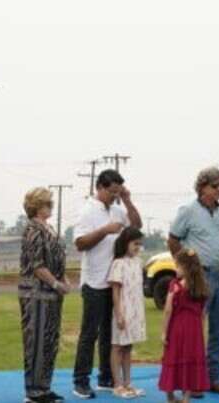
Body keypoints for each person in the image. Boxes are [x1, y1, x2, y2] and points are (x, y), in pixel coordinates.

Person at [73, 169, 142, 399]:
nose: (114, 196)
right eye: (111, 192)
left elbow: (137, 227)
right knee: (89, 333)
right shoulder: (87, 211)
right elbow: (80, 243)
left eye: (117, 192)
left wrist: (128, 200)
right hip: (93, 281)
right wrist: (104, 230)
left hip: (115, 281)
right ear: (99, 188)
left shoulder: (118, 209)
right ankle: (81, 381)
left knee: (110, 335)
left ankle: (105, 377)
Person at [167, 166, 219, 395]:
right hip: (200, 275)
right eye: (215, 186)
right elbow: (173, 239)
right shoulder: (188, 210)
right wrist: (184, 267)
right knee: (195, 330)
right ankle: (193, 382)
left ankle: (213, 378)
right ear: (202, 186)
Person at [19, 187, 71, 403]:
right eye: (48, 204)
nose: (51, 207)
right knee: (37, 341)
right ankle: (34, 390)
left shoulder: (49, 229)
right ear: (37, 206)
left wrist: (63, 279)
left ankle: (44, 386)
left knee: (50, 340)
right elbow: (37, 265)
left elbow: (56, 259)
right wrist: (57, 283)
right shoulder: (33, 230)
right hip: (36, 294)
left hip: (52, 295)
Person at [159, 249, 211, 403]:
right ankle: (186, 397)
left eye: (178, 266)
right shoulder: (202, 288)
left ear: (186, 267)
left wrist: (163, 332)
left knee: (172, 358)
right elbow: (203, 315)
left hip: (177, 329)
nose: (176, 270)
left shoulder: (175, 286)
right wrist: (204, 336)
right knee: (190, 362)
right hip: (194, 332)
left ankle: (170, 396)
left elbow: (168, 310)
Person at [108, 227, 147, 400]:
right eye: (135, 243)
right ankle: (117, 385)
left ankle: (128, 383)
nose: (138, 247)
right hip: (123, 310)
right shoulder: (118, 263)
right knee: (117, 346)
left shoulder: (138, 262)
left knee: (128, 346)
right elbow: (115, 291)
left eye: (140, 244)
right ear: (125, 243)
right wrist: (119, 314)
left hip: (135, 311)